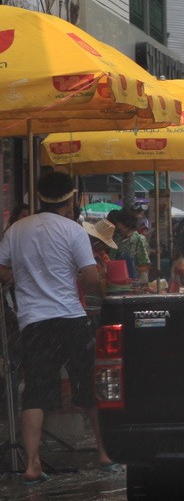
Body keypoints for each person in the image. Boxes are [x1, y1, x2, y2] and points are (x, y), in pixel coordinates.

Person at [0, 171, 116, 484]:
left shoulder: (16, 230)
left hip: (34, 322)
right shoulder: (72, 230)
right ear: (71, 197)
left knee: (36, 391)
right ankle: (105, 454)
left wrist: (18, 277)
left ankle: (32, 465)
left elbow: (1, 268)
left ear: (38, 196)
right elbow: (91, 279)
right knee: (88, 387)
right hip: (70, 319)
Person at [110, 207, 151, 280]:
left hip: (134, 283)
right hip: (116, 282)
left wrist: (130, 269)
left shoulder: (139, 239)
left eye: (119, 223)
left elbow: (145, 265)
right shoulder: (116, 240)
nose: (117, 226)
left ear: (126, 223)